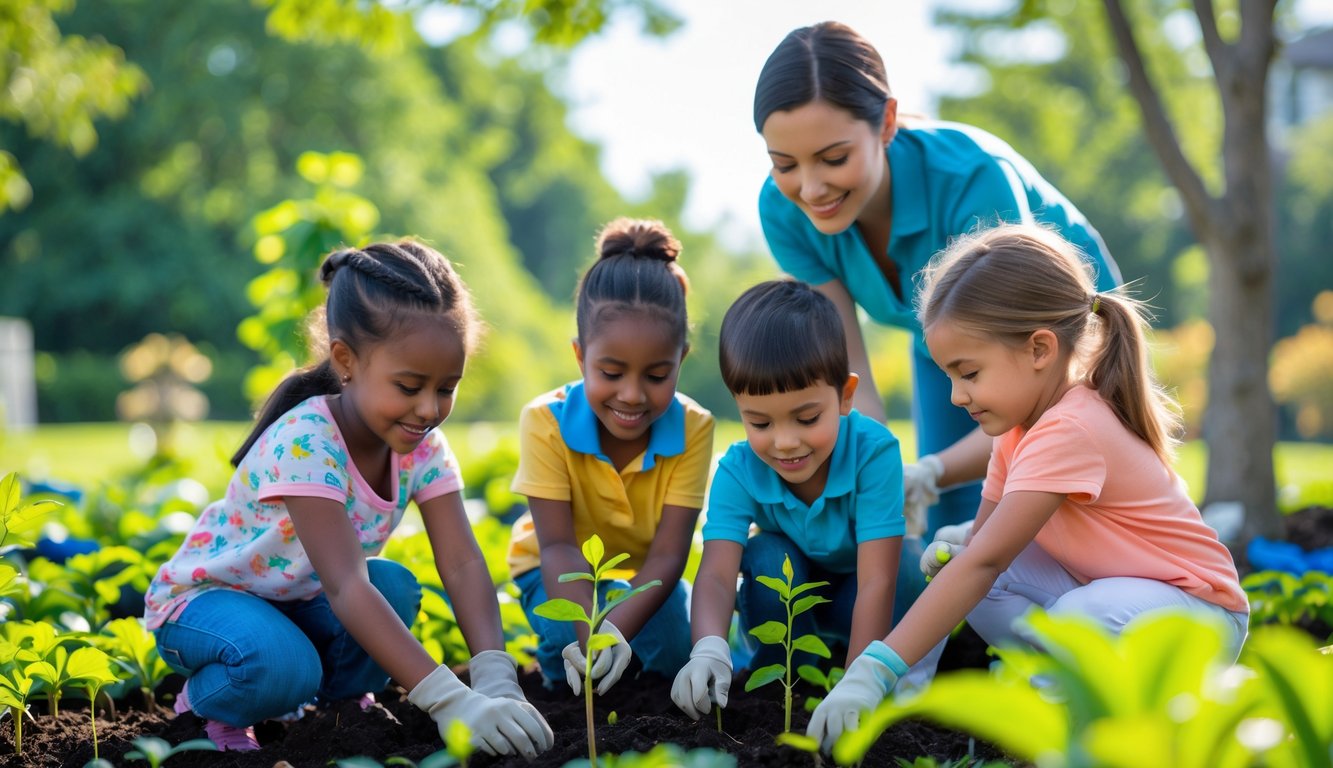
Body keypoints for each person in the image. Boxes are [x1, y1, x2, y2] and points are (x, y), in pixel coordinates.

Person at [804, 224, 1249, 752]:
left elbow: (986, 562)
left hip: (1200, 618)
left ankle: (1056, 727)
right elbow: (979, 554)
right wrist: (887, 680)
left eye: (969, 373)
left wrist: (874, 667)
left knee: (1065, 614)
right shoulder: (1017, 428)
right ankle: (914, 703)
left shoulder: (1072, 427)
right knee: (958, 555)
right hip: (1116, 598)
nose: (955, 396)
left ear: (1040, 349)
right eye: (949, 376)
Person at [144, 241, 553, 758]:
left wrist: (496, 677)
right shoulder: (308, 442)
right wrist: (450, 700)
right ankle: (208, 707)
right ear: (346, 361)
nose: (429, 409)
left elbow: (462, 561)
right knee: (281, 665)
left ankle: (341, 704)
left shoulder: (422, 446)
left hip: (298, 603)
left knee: (394, 586)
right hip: (210, 606)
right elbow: (346, 586)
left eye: (446, 388)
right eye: (409, 386)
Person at [754, 21, 1123, 540]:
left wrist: (932, 470)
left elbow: (1024, 384)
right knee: (947, 533)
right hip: (945, 346)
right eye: (785, 164)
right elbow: (849, 373)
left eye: (834, 159)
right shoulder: (784, 211)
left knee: (1053, 509)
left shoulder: (974, 179)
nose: (811, 188)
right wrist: (875, 474)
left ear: (886, 123)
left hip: (1055, 339)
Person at [671, 279, 920, 721]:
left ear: (845, 395)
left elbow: (878, 581)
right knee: (767, 553)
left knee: (909, 565)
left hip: (857, 596)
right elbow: (716, 574)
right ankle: (781, 679)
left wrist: (858, 681)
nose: (785, 442)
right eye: (760, 423)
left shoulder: (873, 451)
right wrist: (708, 647)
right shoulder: (737, 469)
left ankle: (865, 666)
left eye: (807, 418)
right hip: (787, 601)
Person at [507, 217, 714, 697]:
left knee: (672, 655)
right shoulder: (545, 421)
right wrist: (590, 639)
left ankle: (627, 647)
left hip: (646, 572)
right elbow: (558, 547)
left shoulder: (694, 427)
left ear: (681, 359)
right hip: (553, 567)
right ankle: (560, 670)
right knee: (568, 650)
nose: (632, 395)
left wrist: (616, 630)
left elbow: (669, 554)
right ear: (581, 357)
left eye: (657, 376)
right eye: (611, 373)